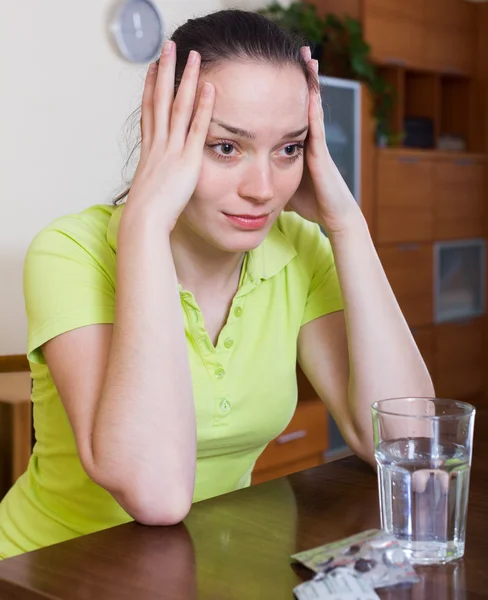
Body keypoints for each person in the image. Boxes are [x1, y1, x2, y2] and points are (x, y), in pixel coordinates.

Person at [0, 9, 434, 559]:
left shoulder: (298, 249)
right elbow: (155, 495)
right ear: (162, 137)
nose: (263, 189)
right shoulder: (71, 252)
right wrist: (146, 225)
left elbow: (409, 447)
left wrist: (348, 224)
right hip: (47, 571)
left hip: (206, 568)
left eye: (289, 149)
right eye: (226, 147)